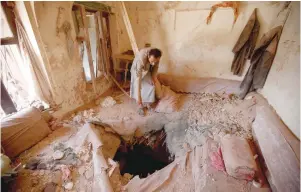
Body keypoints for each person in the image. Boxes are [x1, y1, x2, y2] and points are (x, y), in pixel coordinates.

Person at [130, 47, 162, 116]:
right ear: (148, 56)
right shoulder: (140, 60)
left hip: (146, 69)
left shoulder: (157, 56)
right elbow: (138, 79)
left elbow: (155, 68)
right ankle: (140, 105)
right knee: (139, 86)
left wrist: (153, 77)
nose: (153, 63)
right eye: (152, 61)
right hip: (137, 70)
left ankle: (148, 103)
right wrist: (139, 97)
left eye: (155, 61)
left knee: (151, 85)